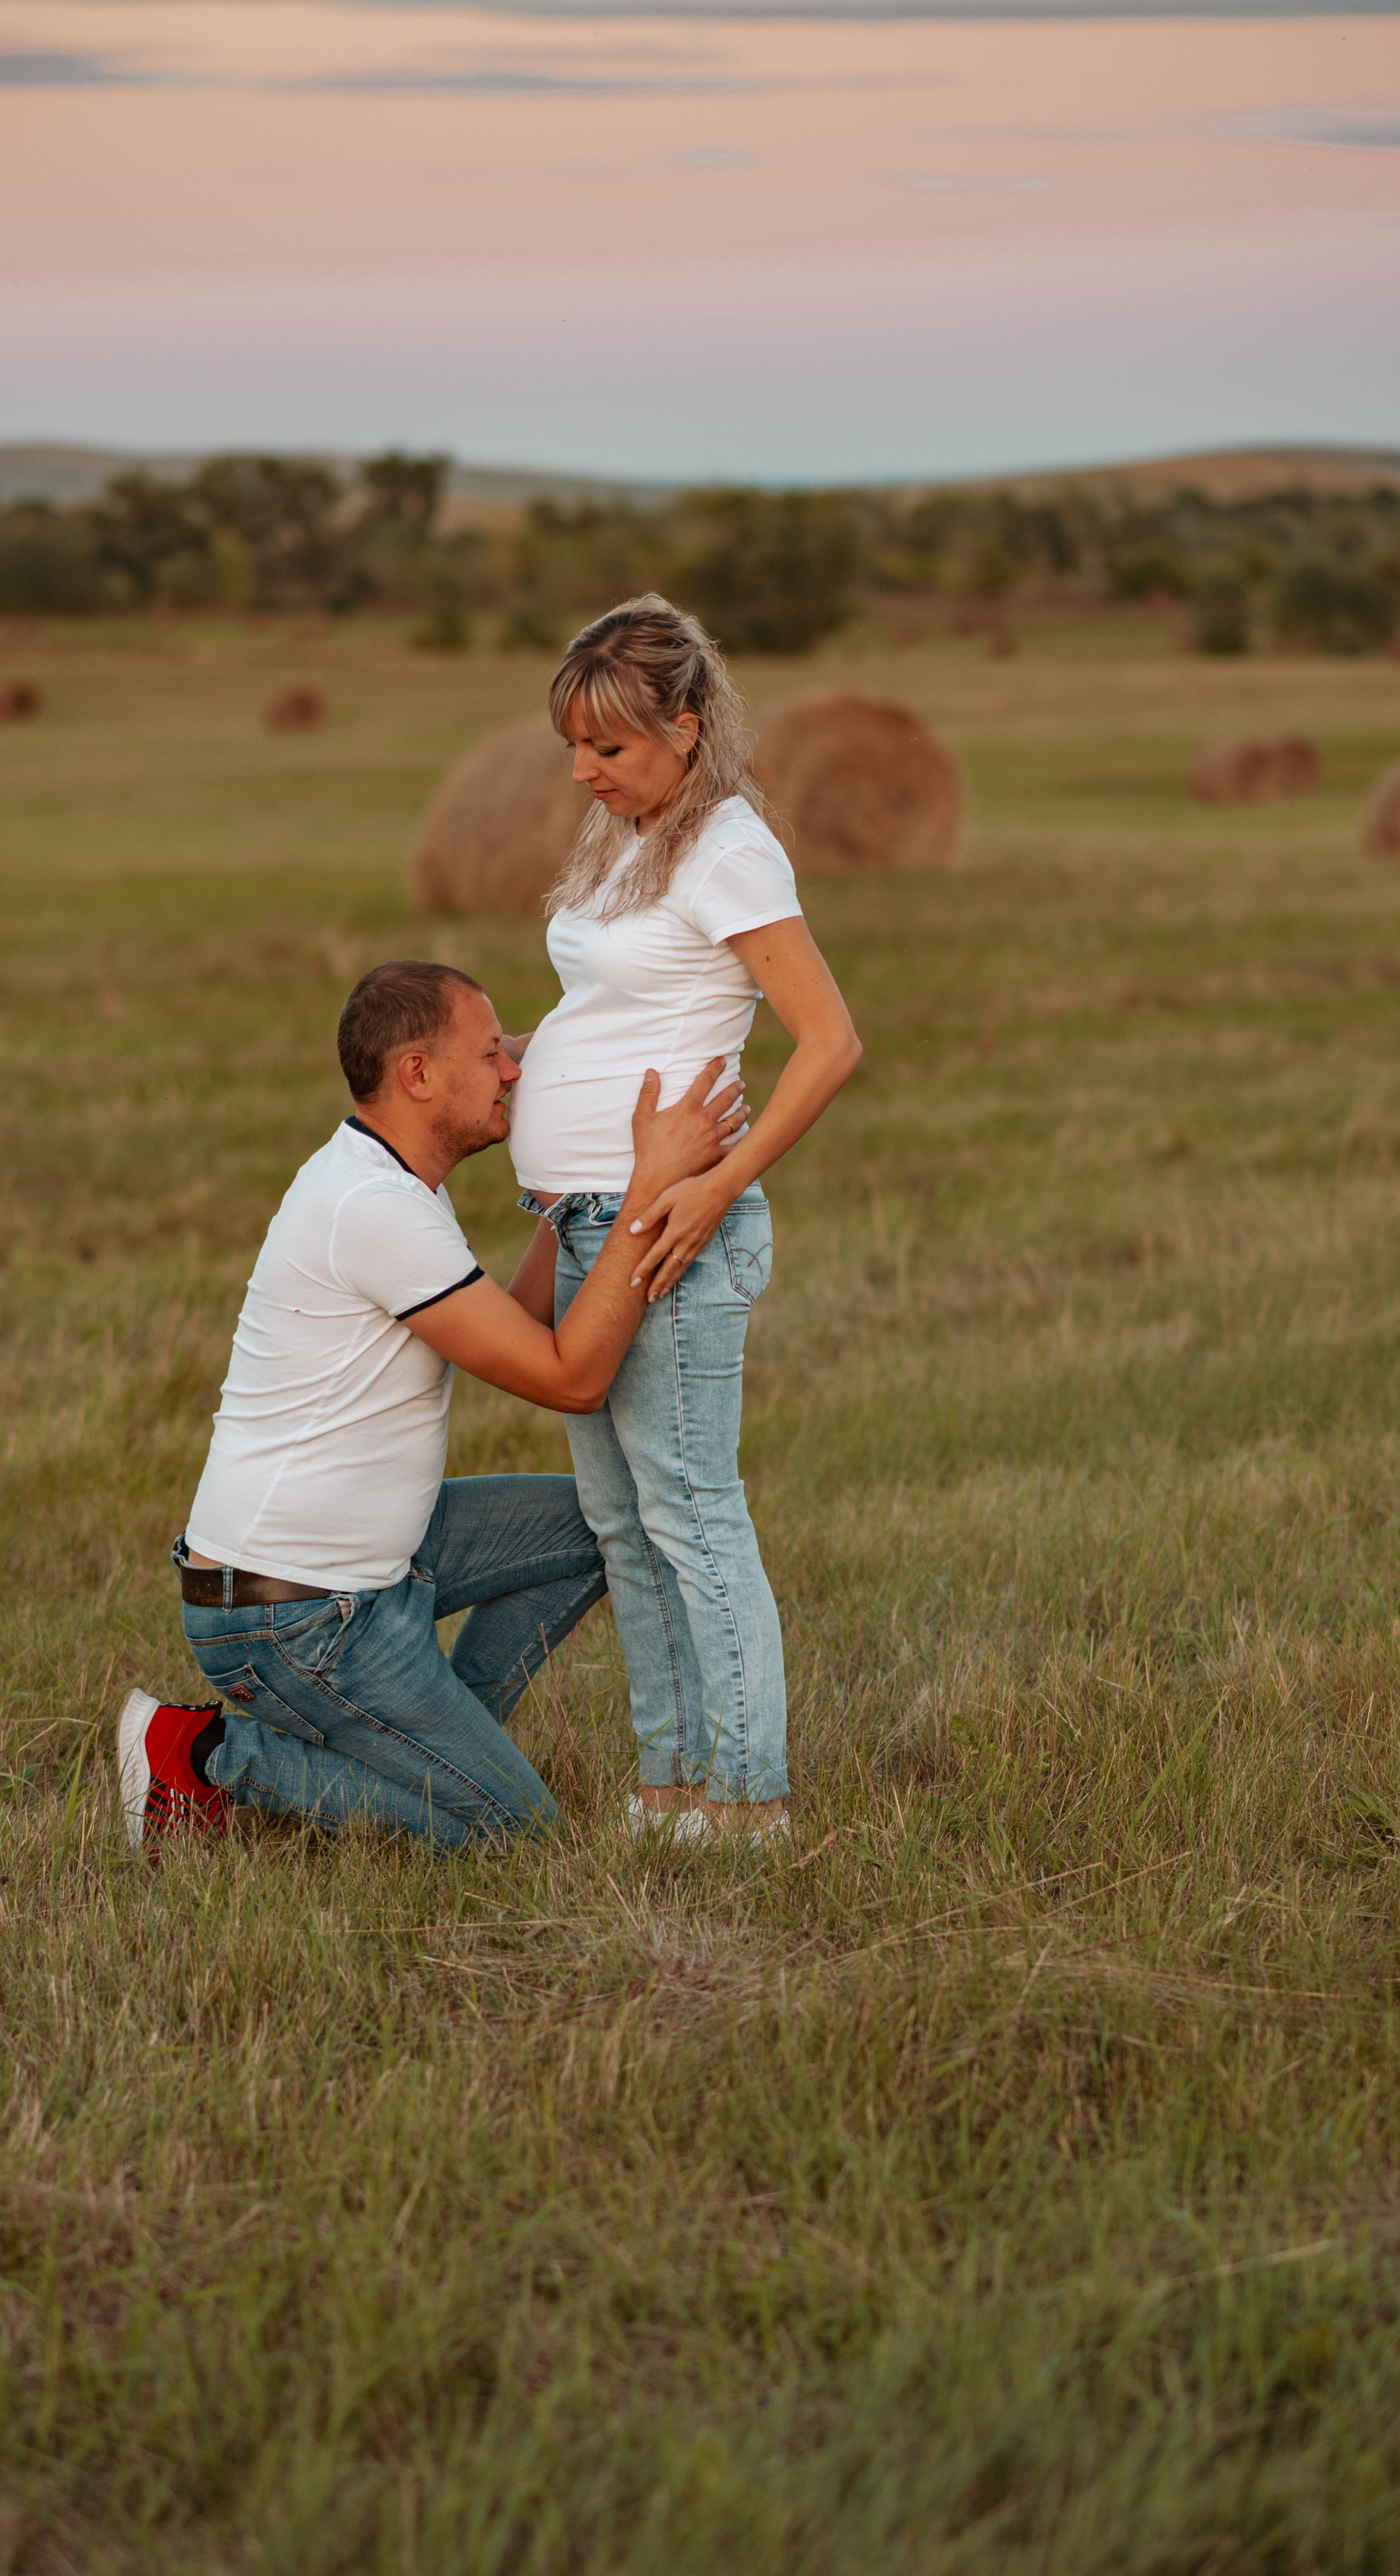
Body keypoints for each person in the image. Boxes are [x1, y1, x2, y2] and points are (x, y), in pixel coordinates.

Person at [118, 956, 745, 1851]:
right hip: (287, 1615)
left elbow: (517, 1331)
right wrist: (647, 1189)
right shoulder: (372, 1207)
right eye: (492, 1052)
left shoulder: (394, 1185)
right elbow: (572, 1376)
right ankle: (208, 1751)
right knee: (513, 1831)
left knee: (606, 1519)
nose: (514, 1071)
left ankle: (442, 1736)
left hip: (371, 1565)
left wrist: (573, 1202)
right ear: (417, 1074)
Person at [506, 595, 861, 1843]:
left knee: (692, 1513)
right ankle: (668, 1788)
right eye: (574, 745)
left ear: (687, 726)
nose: (582, 770)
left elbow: (830, 1043)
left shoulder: (727, 849)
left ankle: (748, 1800)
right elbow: (615, 1006)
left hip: (669, 1228)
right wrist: (528, 1061)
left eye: (607, 746)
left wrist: (715, 1184)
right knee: (622, 1523)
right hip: (587, 1221)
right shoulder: (627, 837)